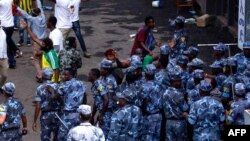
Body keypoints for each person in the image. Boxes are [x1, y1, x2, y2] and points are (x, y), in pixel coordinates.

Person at [52, 69, 87, 141]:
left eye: (65, 75)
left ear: (70, 75)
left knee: (62, 136)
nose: (63, 76)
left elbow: (55, 97)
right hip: (79, 114)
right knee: (76, 135)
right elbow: (84, 96)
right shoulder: (81, 83)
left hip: (68, 114)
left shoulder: (64, 84)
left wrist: (51, 90)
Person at [16, 0, 46, 81]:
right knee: (41, 58)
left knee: (36, 59)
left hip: (36, 42)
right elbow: (40, 7)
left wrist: (17, 7)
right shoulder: (43, 17)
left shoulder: (33, 19)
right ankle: (43, 73)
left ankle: (40, 76)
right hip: (44, 41)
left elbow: (25, 14)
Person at [32, 68, 61, 141]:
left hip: (45, 116)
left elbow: (38, 106)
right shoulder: (57, 86)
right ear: (51, 76)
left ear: (43, 76)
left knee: (45, 137)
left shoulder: (39, 88)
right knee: (57, 136)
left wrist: (35, 121)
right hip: (57, 114)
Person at [162, 68, 189, 141]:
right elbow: (185, 108)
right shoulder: (178, 94)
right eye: (179, 81)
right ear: (174, 81)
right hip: (179, 122)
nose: (180, 82)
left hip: (168, 122)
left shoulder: (165, 92)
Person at [88, 68, 112, 138]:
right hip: (102, 111)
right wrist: (92, 115)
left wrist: (102, 115)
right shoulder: (94, 85)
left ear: (94, 76)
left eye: (90, 74)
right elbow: (96, 101)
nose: (88, 76)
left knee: (104, 134)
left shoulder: (99, 84)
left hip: (106, 112)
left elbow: (106, 99)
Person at [0, 0, 18, 68]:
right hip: (11, 24)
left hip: (3, 25)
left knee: (6, 43)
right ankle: (13, 58)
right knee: (8, 41)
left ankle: (12, 59)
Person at [0, 22, 8, 86]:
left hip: (4, 57)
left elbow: (8, 41)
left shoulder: (3, 30)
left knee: (4, 75)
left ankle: (0, 85)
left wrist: (16, 49)